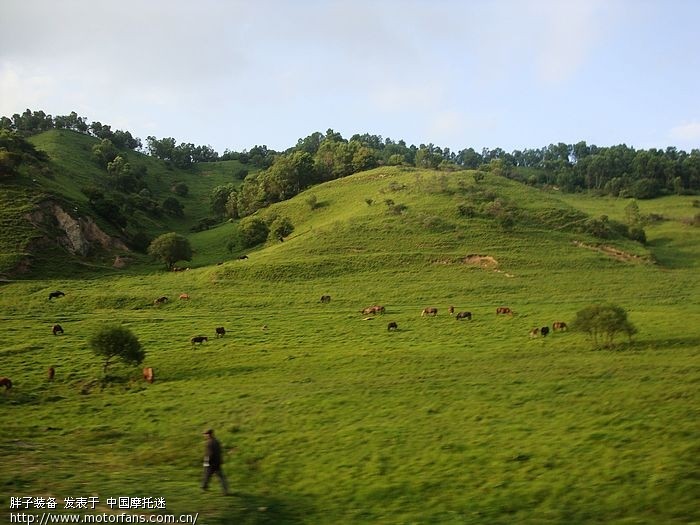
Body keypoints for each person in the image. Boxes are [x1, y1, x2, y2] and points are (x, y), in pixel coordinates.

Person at [201, 429, 229, 495]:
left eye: (206, 434)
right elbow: (220, 452)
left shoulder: (209, 442)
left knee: (207, 475)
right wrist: (220, 460)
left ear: (209, 434)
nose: (205, 435)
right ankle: (226, 491)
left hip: (211, 463)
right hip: (217, 462)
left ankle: (204, 487)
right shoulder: (217, 441)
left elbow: (209, 454)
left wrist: (206, 462)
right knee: (221, 477)